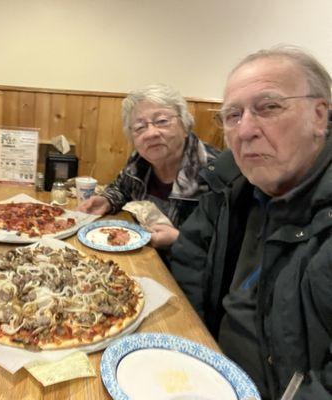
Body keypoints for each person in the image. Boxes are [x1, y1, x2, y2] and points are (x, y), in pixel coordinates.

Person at [170, 46, 332, 399]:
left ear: (320, 116)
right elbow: (189, 257)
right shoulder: (229, 185)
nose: (244, 131)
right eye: (232, 115)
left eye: (269, 107)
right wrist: (193, 349)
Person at [77, 84, 219, 248]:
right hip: (144, 258)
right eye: (139, 127)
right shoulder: (139, 160)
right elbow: (122, 189)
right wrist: (107, 200)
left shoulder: (215, 172)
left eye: (162, 121)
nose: (151, 133)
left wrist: (180, 240)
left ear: (185, 126)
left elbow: (229, 248)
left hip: (188, 269)